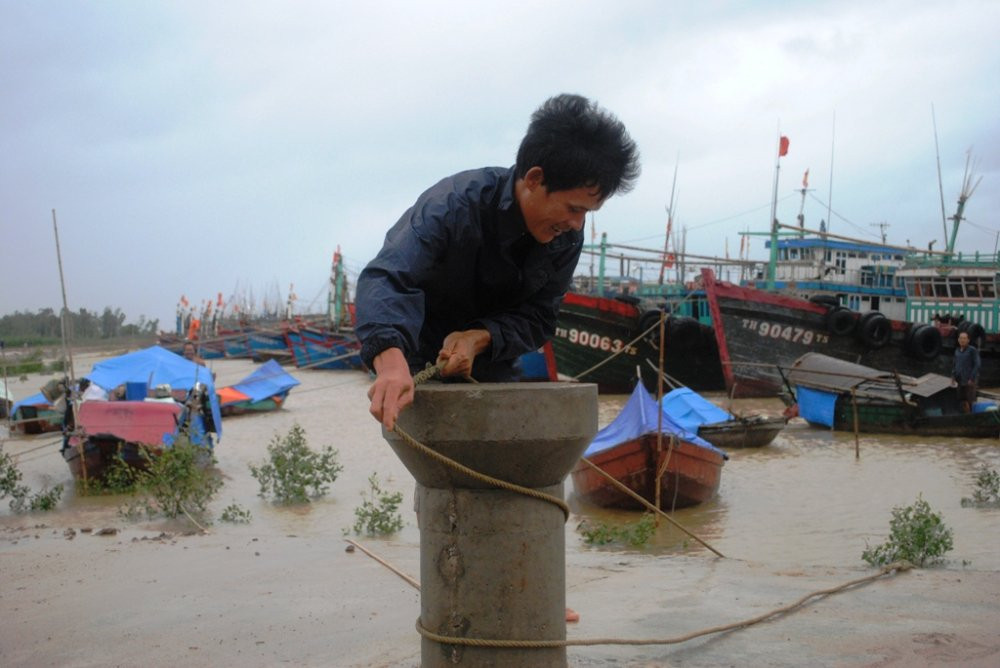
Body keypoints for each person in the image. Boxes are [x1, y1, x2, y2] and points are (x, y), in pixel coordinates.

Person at [356, 94, 640, 430]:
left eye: (587, 213)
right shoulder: (452, 206)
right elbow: (386, 278)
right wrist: (389, 361)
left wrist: (478, 338)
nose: (578, 225)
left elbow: (539, 318)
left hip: (492, 363)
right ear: (534, 179)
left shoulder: (566, 237)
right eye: (574, 208)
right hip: (413, 365)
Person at [951, 330, 981, 413]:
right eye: (961, 338)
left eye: (964, 338)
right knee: (961, 400)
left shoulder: (972, 350)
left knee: (970, 400)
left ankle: (973, 417)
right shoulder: (957, 351)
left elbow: (977, 364)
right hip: (959, 380)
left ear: (968, 340)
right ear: (958, 340)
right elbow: (954, 365)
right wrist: (953, 377)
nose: (962, 340)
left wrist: (972, 378)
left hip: (969, 381)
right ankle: (964, 416)